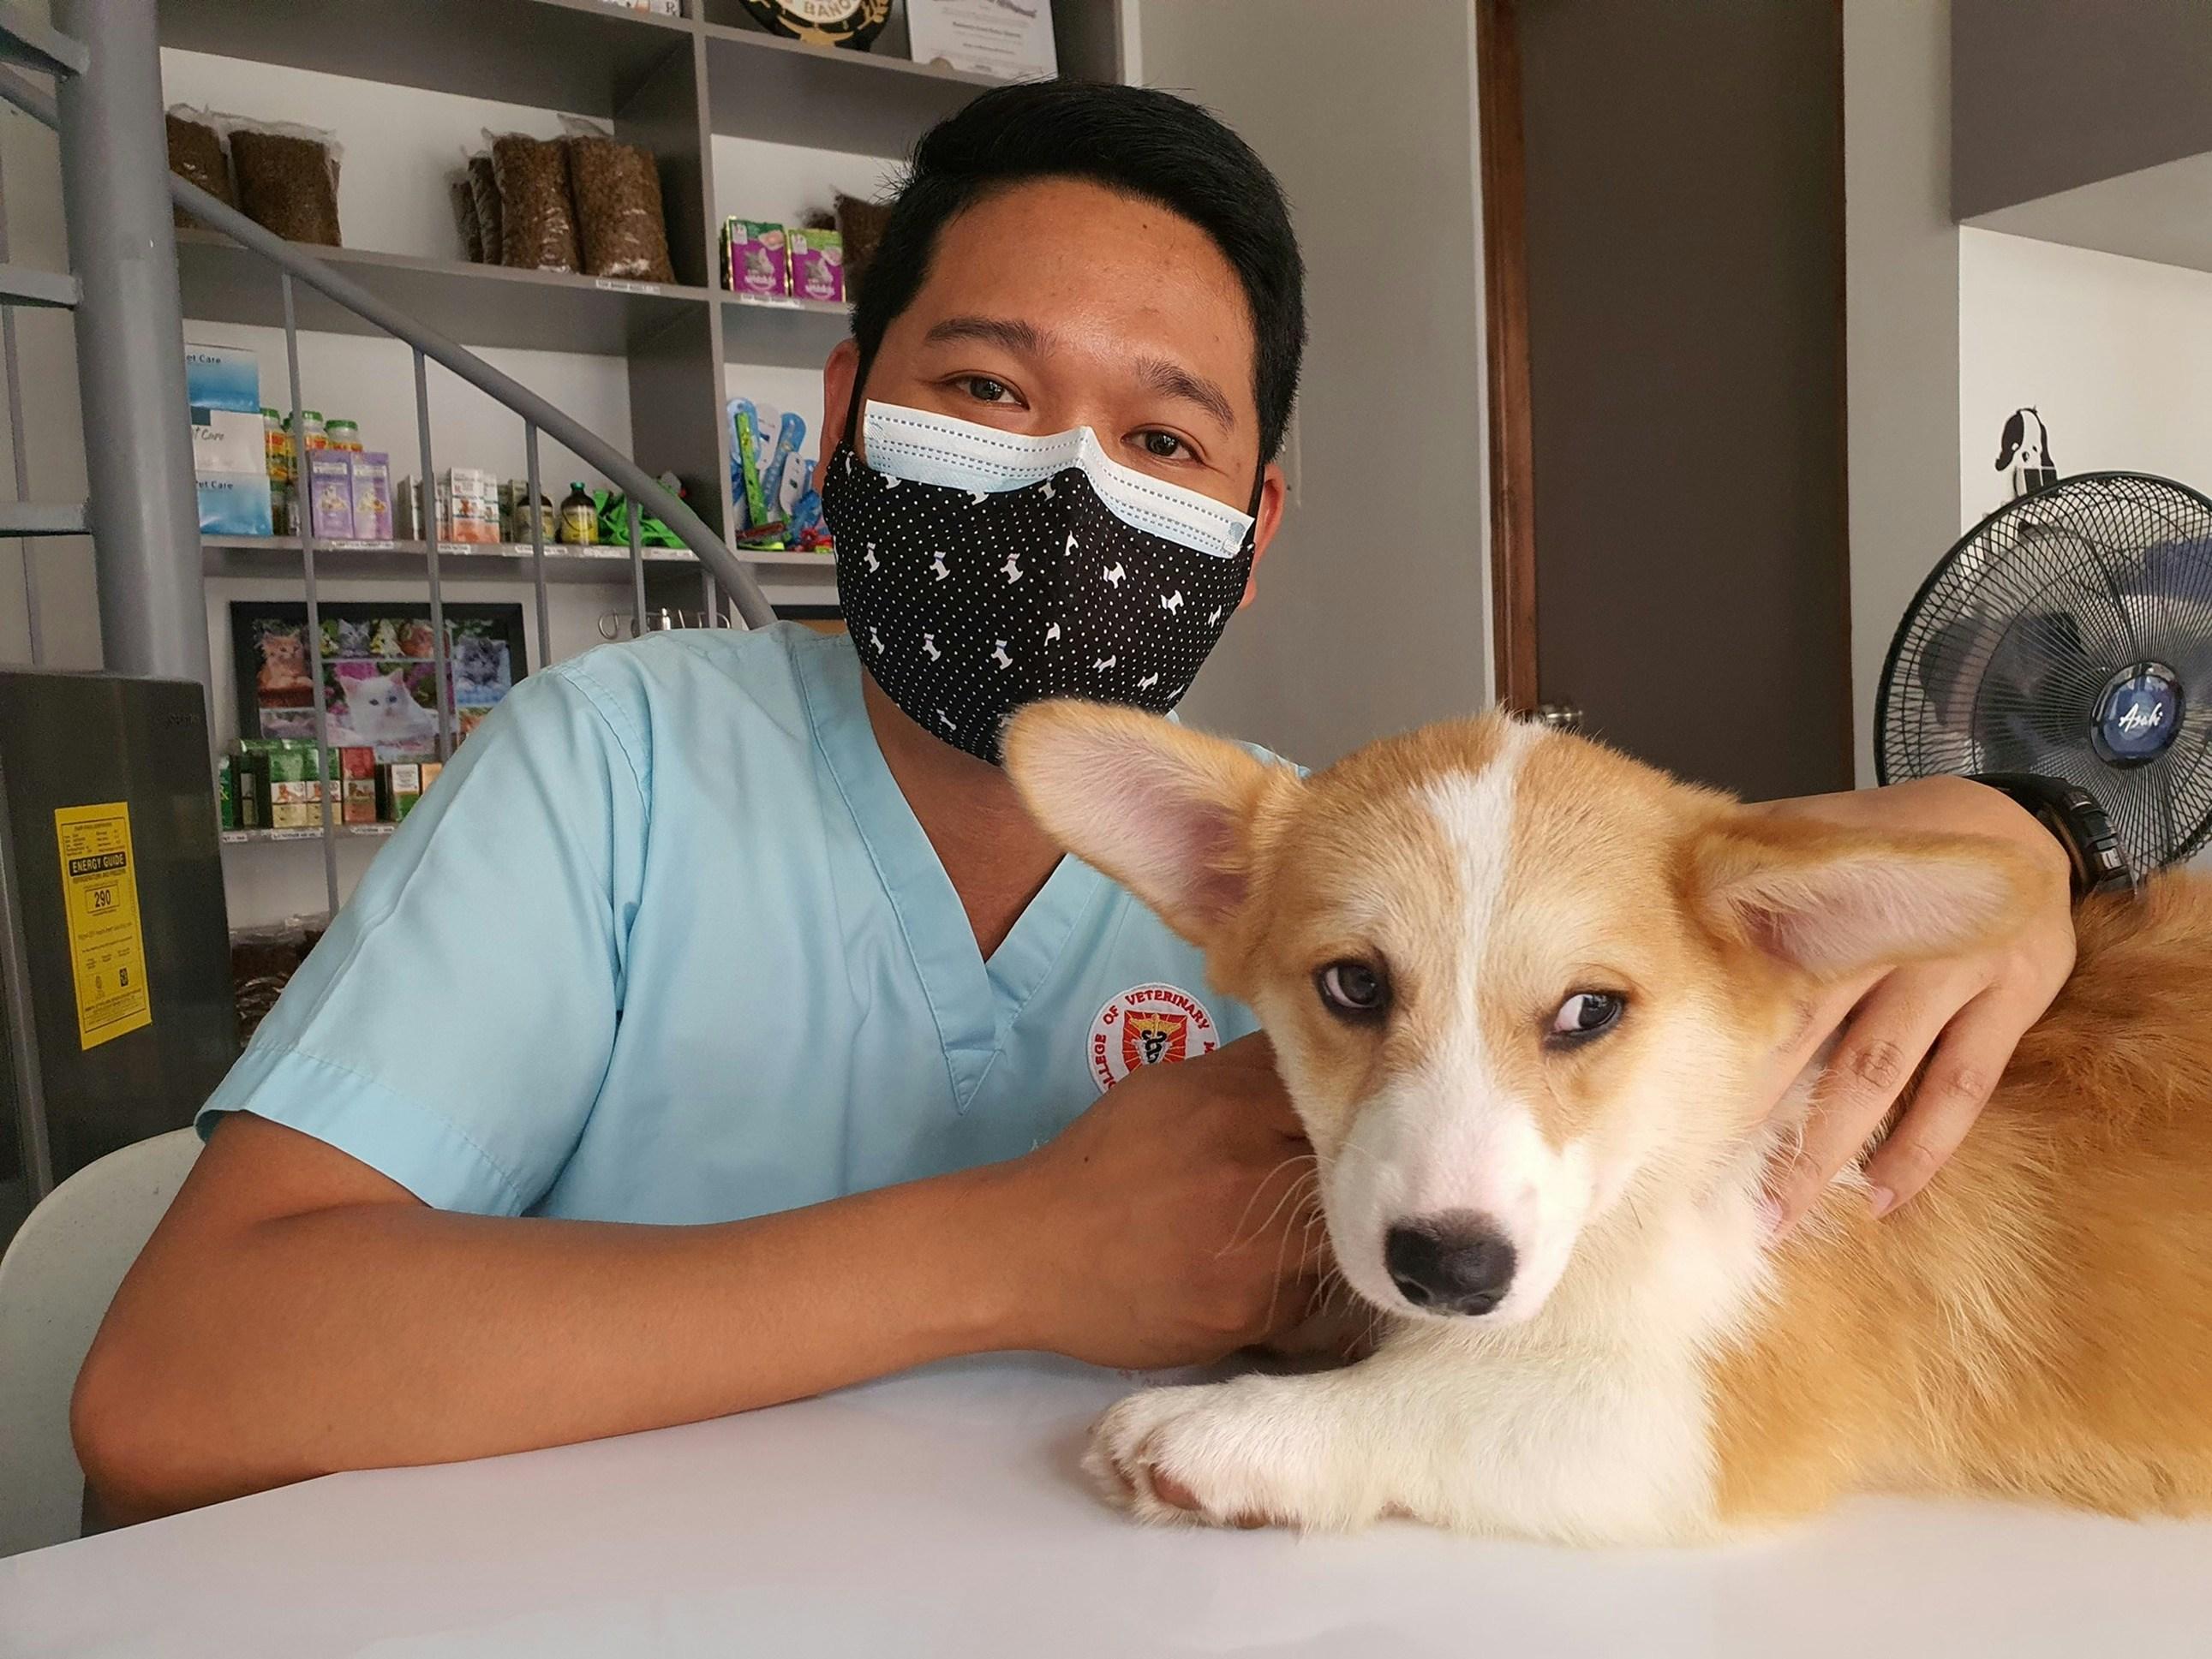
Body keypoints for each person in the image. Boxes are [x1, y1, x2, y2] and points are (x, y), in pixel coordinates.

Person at [72, 82, 2077, 1522]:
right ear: (844, 421)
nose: (1066, 481)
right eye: (986, 389)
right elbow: (178, 1385)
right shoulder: (613, 767)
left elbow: (1607, 915)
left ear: (1250, 527)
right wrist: (1010, 1256)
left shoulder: (1312, 860)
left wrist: (2024, 845)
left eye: (1163, 431)